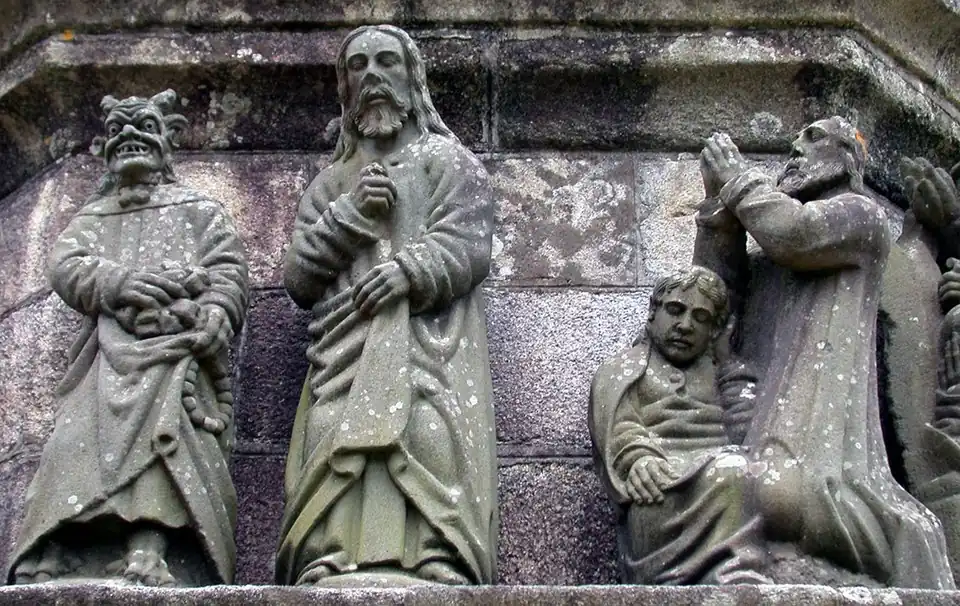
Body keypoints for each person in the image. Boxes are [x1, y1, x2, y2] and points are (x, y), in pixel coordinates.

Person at [277, 25, 497, 586]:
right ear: (345, 90)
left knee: (426, 429)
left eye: (385, 62)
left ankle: (436, 553)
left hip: (425, 343)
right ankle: (327, 553)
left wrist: (408, 270)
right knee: (332, 430)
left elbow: (469, 245)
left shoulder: (446, 161)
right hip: (343, 343)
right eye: (357, 66)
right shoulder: (330, 185)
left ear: (411, 77)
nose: (372, 75)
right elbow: (300, 276)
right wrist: (349, 216)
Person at [694, 117, 955, 588]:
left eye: (813, 137)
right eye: (798, 138)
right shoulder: (773, 246)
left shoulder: (861, 218)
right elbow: (719, 290)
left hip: (821, 426)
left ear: (848, 159)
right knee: (745, 489)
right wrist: (719, 216)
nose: (796, 146)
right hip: (752, 412)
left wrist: (738, 180)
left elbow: (795, 234)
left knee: (794, 494)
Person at [8, 90, 249, 586]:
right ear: (103, 150)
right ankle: (56, 547)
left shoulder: (199, 211)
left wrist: (215, 312)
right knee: (73, 445)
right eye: (118, 132)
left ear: (167, 143)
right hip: (104, 362)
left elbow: (228, 270)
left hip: (172, 355)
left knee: (166, 450)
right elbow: (65, 265)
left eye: (143, 129)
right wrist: (116, 282)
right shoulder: (93, 218)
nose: (131, 139)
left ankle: (149, 549)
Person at [590, 266, 768, 585]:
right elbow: (619, 428)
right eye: (675, 310)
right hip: (660, 492)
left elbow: (748, 431)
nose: (685, 325)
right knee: (732, 471)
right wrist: (638, 459)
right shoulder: (624, 371)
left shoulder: (722, 375)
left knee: (739, 471)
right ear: (652, 313)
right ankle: (723, 573)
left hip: (726, 486)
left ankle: (733, 573)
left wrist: (728, 364)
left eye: (700, 318)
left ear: (714, 330)